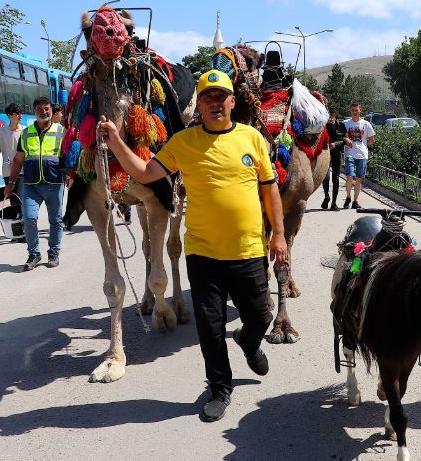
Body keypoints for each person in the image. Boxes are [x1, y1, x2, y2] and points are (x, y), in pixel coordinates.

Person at [97, 69, 287, 423]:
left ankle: (249, 340)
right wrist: (115, 143)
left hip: (249, 251)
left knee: (261, 315)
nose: (215, 104)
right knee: (210, 328)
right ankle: (220, 388)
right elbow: (143, 173)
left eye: (221, 97)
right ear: (199, 104)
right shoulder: (183, 142)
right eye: (208, 98)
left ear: (233, 101)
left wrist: (278, 233)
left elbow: (269, 188)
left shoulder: (252, 138)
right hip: (204, 254)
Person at [7, 97, 66, 271]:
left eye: (46, 108)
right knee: (29, 218)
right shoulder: (26, 133)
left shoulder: (61, 131)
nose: (43, 111)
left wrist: (72, 175)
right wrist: (11, 182)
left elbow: (69, 155)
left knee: (55, 220)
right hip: (31, 184)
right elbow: (18, 159)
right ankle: (34, 253)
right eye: (39, 109)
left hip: (54, 183)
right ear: (34, 112)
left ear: (51, 111)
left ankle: (54, 253)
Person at [0, 103, 26, 241]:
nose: (20, 116)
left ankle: (23, 231)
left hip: (22, 171)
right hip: (7, 172)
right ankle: (16, 232)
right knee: (14, 201)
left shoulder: (25, 131)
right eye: (17, 113)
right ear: (10, 116)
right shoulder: (2, 132)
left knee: (21, 199)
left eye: (20, 113)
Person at [342, 102, 375, 209]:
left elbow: (372, 139)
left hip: (362, 154)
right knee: (350, 176)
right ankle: (348, 197)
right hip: (349, 153)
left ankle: (355, 201)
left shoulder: (366, 124)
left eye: (356, 110)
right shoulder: (346, 123)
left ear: (360, 110)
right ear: (350, 111)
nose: (355, 112)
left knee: (359, 179)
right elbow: (340, 136)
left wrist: (363, 145)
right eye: (353, 110)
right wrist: (345, 139)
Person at [321, 109, 347, 211]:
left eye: (332, 115)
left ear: (335, 116)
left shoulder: (341, 125)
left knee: (335, 179)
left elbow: (344, 139)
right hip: (326, 154)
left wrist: (335, 144)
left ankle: (334, 203)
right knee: (326, 177)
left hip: (336, 154)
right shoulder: (324, 126)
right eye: (329, 115)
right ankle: (327, 196)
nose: (330, 117)